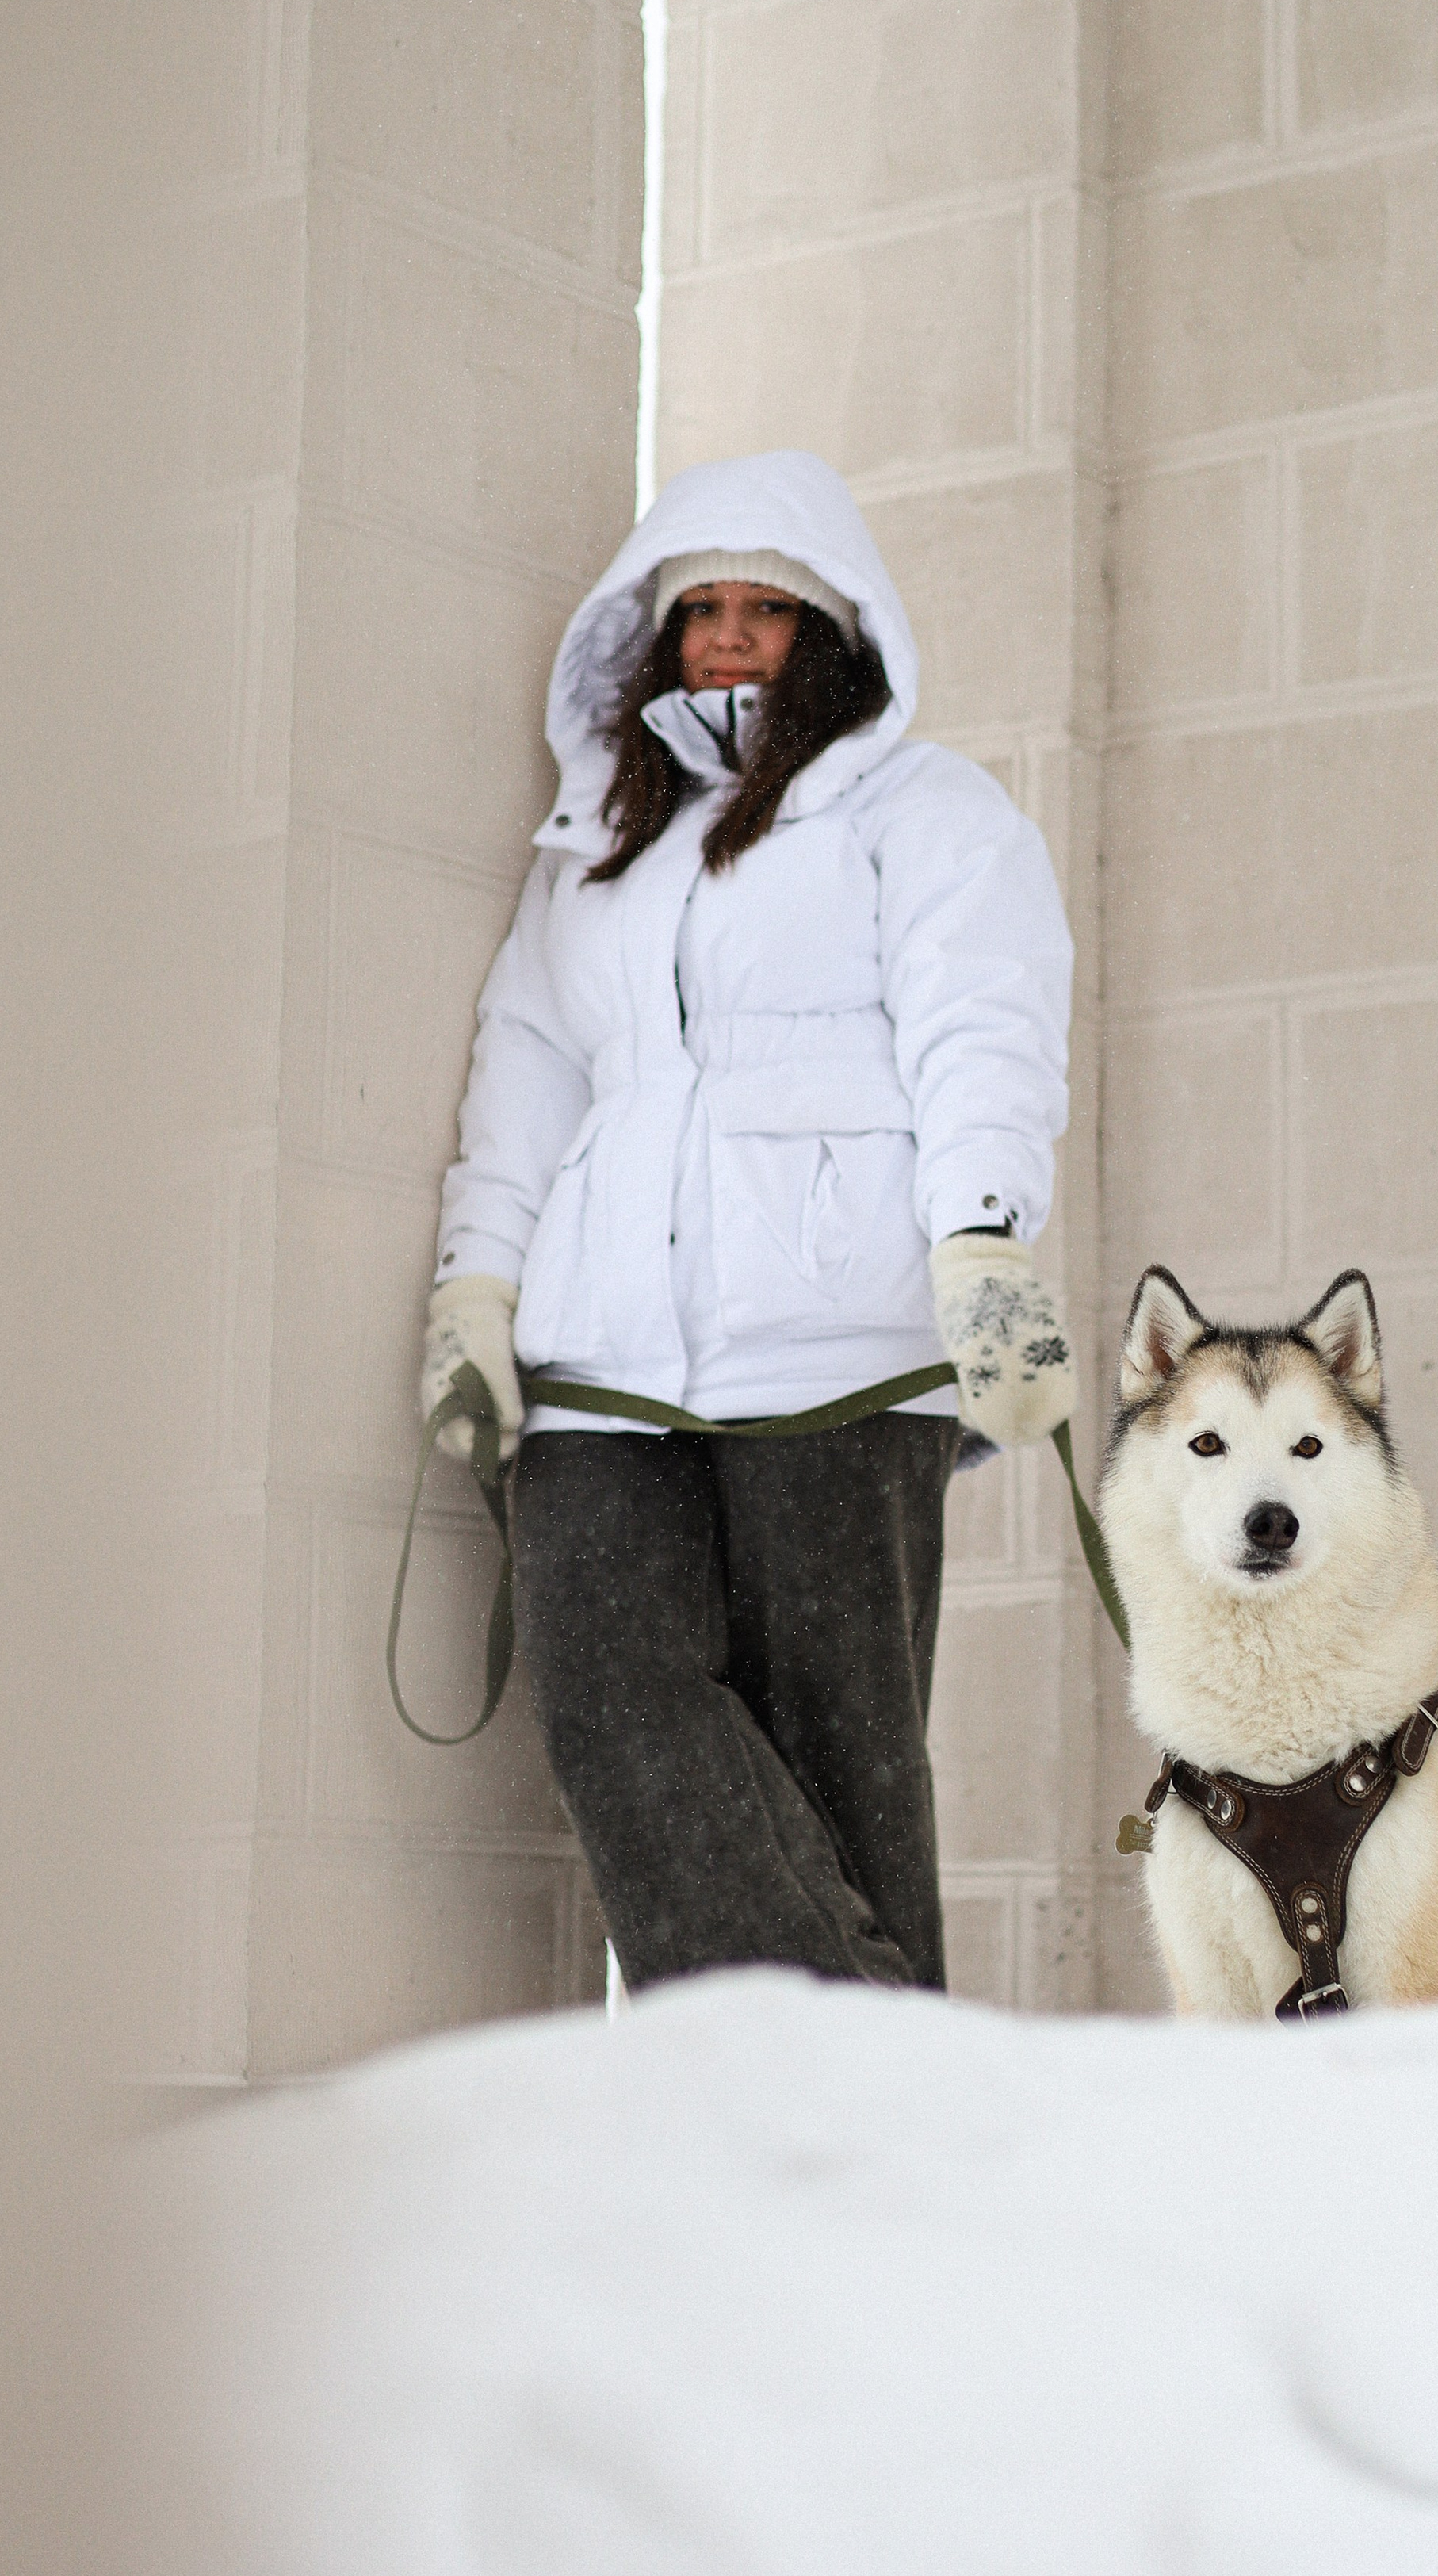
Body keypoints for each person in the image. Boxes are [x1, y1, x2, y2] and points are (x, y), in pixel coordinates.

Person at [419, 451, 1075, 1996]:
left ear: (828, 633)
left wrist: (982, 1238)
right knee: (607, 1697)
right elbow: (525, 1070)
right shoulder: (596, 844)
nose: (723, 637)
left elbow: (980, 1028)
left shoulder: (926, 812)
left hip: (837, 1355)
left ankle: (867, 2139)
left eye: (760, 610)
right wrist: (476, 1292)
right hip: (597, 1359)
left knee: (841, 1760)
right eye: (697, 609)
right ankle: (819, 2066)